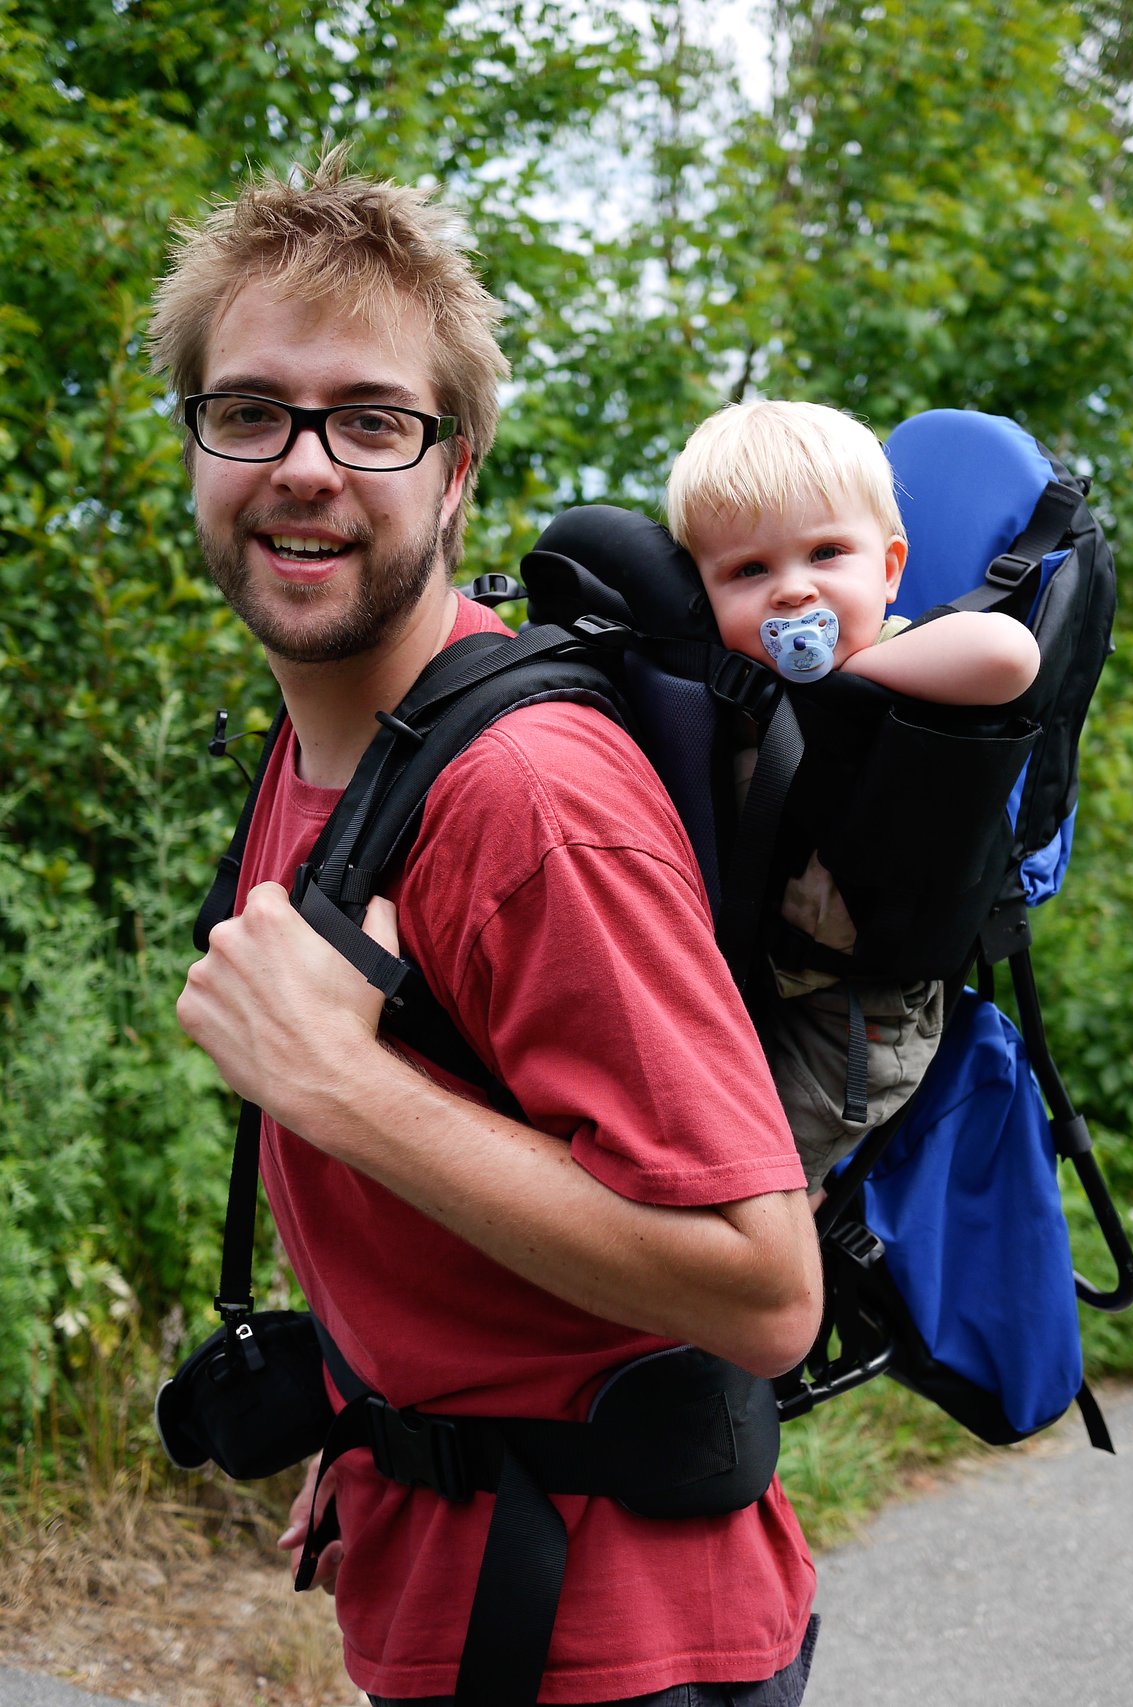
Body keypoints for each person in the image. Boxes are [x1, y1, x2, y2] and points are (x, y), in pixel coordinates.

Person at [152, 150, 823, 1706]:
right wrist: (380, 1408)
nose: (302, 464)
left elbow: (762, 1285)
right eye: (250, 410)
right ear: (195, 448)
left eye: (373, 421)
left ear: (456, 474)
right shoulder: (328, 743)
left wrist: (343, 1084)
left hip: (614, 1640)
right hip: (462, 1563)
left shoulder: (528, 798)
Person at [666, 400, 1041, 1198]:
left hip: (858, 1023)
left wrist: (855, 679)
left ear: (890, 568)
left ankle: (752, 1289)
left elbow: (1010, 655)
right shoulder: (733, 688)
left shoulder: (908, 651)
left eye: (827, 552)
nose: (793, 592)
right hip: (755, 983)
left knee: (750, 1189)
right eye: (748, 570)